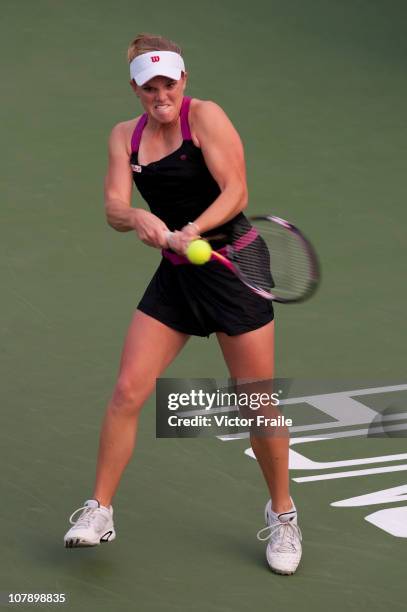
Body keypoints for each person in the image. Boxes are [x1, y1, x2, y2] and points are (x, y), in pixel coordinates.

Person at [63, 33, 302, 575]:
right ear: (136, 88)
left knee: (256, 403)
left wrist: (191, 228)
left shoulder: (206, 118)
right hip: (177, 276)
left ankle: (283, 515)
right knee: (128, 389)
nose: (160, 94)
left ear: (183, 81)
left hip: (234, 268)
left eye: (168, 83)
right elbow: (112, 206)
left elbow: (236, 191)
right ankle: (100, 509)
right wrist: (140, 219)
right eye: (149, 87)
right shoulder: (124, 137)